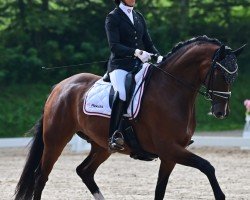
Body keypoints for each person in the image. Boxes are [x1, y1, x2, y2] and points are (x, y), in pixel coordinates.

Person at [105, 0, 163, 151]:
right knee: (122, 93)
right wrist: (135, 52)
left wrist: (159, 57)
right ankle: (114, 135)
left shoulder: (138, 16)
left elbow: (147, 42)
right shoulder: (113, 17)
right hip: (119, 65)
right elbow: (114, 46)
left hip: (138, 65)